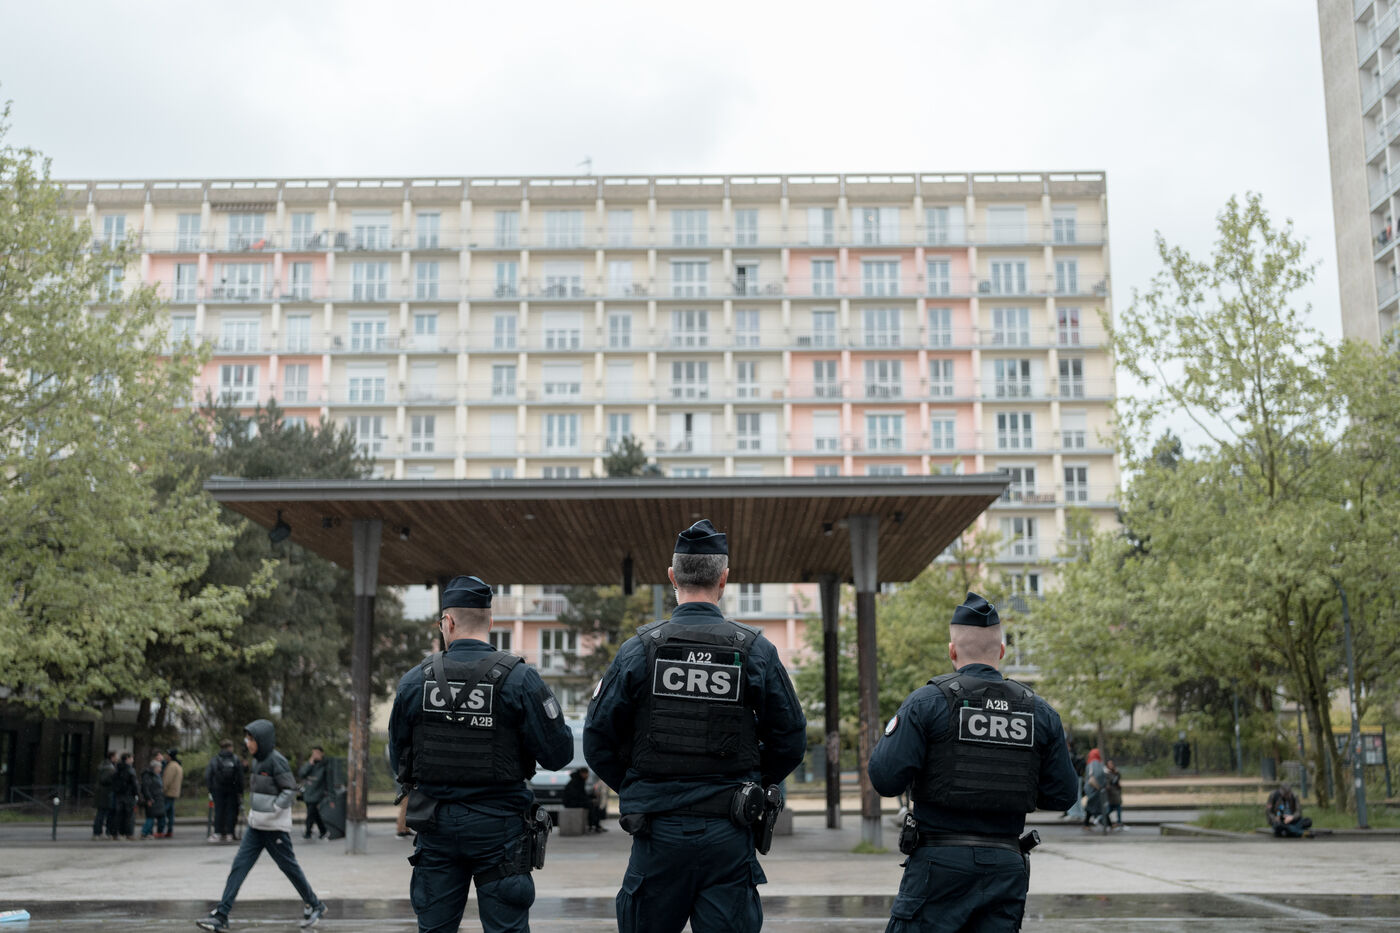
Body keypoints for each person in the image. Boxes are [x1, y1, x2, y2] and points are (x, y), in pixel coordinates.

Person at [585, 519, 808, 933]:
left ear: (672, 577)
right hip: (729, 833)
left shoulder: (639, 650)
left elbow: (597, 739)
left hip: (657, 835)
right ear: (724, 579)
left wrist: (637, 786)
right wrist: (752, 782)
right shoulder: (755, 650)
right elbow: (791, 739)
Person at [868, 592, 1079, 932]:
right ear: (1002, 651)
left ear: (952, 651)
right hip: (1005, 866)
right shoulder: (1040, 712)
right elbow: (1063, 795)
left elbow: (885, 778)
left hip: (938, 866)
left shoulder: (927, 703)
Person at [388, 573, 574, 933]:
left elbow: (399, 758)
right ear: (490, 622)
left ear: (448, 622)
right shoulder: (520, 679)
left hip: (436, 825)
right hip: (500, 828)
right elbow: (558, 754)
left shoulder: (415, 680)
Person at [196, 719, 328, 931]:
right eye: (247, 738)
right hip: (256, 827)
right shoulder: (257, 761)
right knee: (239, 867)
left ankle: (316, 905)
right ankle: (221, 915)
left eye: (251, 739)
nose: (247, 742)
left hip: (274, 828)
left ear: (262, 740)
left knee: (289, 868)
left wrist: (273, 809)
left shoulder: (277, 761)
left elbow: (289, 790)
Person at [206, 739, 245, 843]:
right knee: (231, 811)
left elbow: (208, 775)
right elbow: (240, 776)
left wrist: (211, 789)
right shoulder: (235, 759)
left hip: (218, 789)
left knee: (219, 811)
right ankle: (230, 833)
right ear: (230, 747)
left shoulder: (215, 759)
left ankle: (218, 833)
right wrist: (240, 791)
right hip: (232, 789)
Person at [297, 746, 328, 841]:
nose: (315, 755)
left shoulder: (325, 765)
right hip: (308, 792)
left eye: (317, 753)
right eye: (313, 753)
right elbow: (302, 774)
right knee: (315, 814)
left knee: (311, 813)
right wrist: (310, 763)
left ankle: (308, 832)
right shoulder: (311, 764)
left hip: (318, 792)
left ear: (322, 753)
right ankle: (323, 831)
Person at [562, 767, 605, 833]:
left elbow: (582, 794)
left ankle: (595, 825)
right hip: (571, 802)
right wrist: (589, 800)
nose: (587, 776)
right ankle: (593, 826)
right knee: (591, 805)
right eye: (586, 774)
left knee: (593, 803)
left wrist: (591, 797)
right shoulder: (576, 781)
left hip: (574, 800)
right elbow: (578, 795)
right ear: (582, 773)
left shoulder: (579, 780)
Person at [112, 752, 139, 841]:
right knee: (129, 816)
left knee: (118, 815)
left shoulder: (117, 769)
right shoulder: (130, 770)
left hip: (119, 795)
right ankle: (129, 833)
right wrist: (137, 793)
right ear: (127, 759)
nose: (133, 760)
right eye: (131, 758)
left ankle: (116, 833)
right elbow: (134, 783)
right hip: (129, 795)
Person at [1082, 748, 1110, 832]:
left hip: (1094, 789)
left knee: (1097, 806)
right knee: (1097, 806)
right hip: (1095, 789)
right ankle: (1107, 823)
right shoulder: (1095, 763)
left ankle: (1108, 823)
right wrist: (1100, 787)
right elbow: (1092, 779)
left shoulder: (1091, 763)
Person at [140, 755, 166, 839]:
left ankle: (153, 832)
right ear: (154, 768)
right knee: (150, 817)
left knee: (159, 816)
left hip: (158, 799)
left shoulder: (157, 775)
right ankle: (145, 832)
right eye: (159, 768)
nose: (160, 769)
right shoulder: (148, 776)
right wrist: (149, 798)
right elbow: (145, 788)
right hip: (153, 798)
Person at [93, 750, 117, 841]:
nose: (117, 758)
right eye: (116, 756)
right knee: (103, 814)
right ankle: (99, 833)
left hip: (102, 794)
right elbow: (105, 779)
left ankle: (98, 832)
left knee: (101, 814)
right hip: (105, 794)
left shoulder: (104, 765)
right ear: (112, 757)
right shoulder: (108, 768)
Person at [161, 748, 184, 839]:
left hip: (169, 792)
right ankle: (169, 830)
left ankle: (161, 829)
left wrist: (163, 789)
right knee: (170, 813)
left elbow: (167, 780)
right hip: (174, 792)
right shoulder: (178, 765)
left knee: (163, 811)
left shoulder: (171, 766)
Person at [1105, 758, 1124, 830]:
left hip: (1117, 793)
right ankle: (1101, 818)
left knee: (1118, 808)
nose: (1111, 765)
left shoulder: (1115, 772)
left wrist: (1117, 773)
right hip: (1111, 794)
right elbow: (1110, 783)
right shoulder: (1107, 773)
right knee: (1110, 809)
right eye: (1109, 764)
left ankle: (1119, 822)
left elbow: (1118, 779)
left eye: (1112, 764)